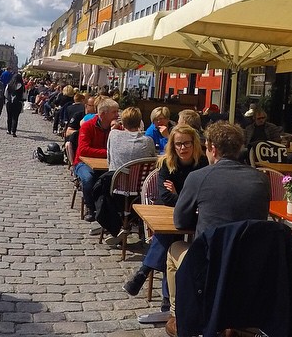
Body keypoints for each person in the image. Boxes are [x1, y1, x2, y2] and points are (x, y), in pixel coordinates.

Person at [164, 121, 270, 337]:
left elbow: (180, 220)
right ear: (240, 147)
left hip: (211, 264)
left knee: (174, 248)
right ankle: (229, 319)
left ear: (211, 148)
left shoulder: (199, 177)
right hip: (249, 264)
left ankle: (179, 315)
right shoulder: (261, 179)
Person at [123, 123, 208, 310]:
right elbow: (166, 197)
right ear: (172, 145)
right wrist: (184, 195)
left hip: (197, 215)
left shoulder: (203, 164)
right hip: (171, 213)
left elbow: (201, 196)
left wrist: (180, 194)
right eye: (178, 144)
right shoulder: (166, 164)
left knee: (169, 236)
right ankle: (166, 297)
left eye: (186, 143)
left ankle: (144, 272)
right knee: (170, 235)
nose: (182, 148)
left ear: (194, 144)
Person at [73, 98, 118, 222]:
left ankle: (109, 209)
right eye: (114, 112)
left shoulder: (116, 128)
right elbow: (83, 150)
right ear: (103, 114)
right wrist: (107, 153)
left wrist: (116, 132)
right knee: (88, 179)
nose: (117, 115)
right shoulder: (88, 126)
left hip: (106, 164)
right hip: (83, 163)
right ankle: (90, 208)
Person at [107, 106, 155, 171]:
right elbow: (153, 163)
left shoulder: (113, 134)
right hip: (140, 180)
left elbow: (109, 160)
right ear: (140, 122)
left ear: (123, 122)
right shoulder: (148, 141)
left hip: (116, 179)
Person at [5, 72, 25, 136]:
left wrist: (8, 98)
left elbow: (5, 94)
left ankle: (9, 130)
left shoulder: (9, 85)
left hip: (9, 102)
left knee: (9, 116)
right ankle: (14, 131)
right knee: (15, 117)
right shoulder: (22, 86)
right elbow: (24, 96)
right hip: (18, 103)